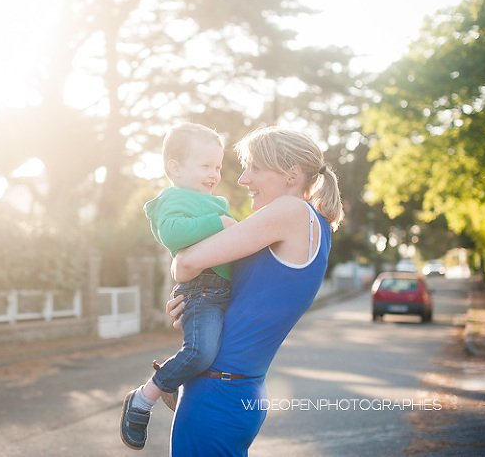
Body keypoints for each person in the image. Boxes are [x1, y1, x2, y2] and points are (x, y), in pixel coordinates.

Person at [164, 126, 344, 456]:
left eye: (255, 168)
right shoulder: (313, 223)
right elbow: (250, 301)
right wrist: (195, 305)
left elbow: (185, 263)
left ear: (292, 175)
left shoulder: (290, 211)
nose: (243, 179)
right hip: (236, 388)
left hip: (219, 391)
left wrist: (213, 229)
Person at [120, 122, 236, 450]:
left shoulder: (217, 203)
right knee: (200, 352)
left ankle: (177, 385)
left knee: (214, 357)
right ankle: (143, 399)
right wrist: (221, 224)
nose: (214, 173)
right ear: (175, 167)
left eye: (217, 166)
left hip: (223, 291)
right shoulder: (173, 198)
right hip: (201, 291)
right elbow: (171, 232)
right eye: (205, 166)